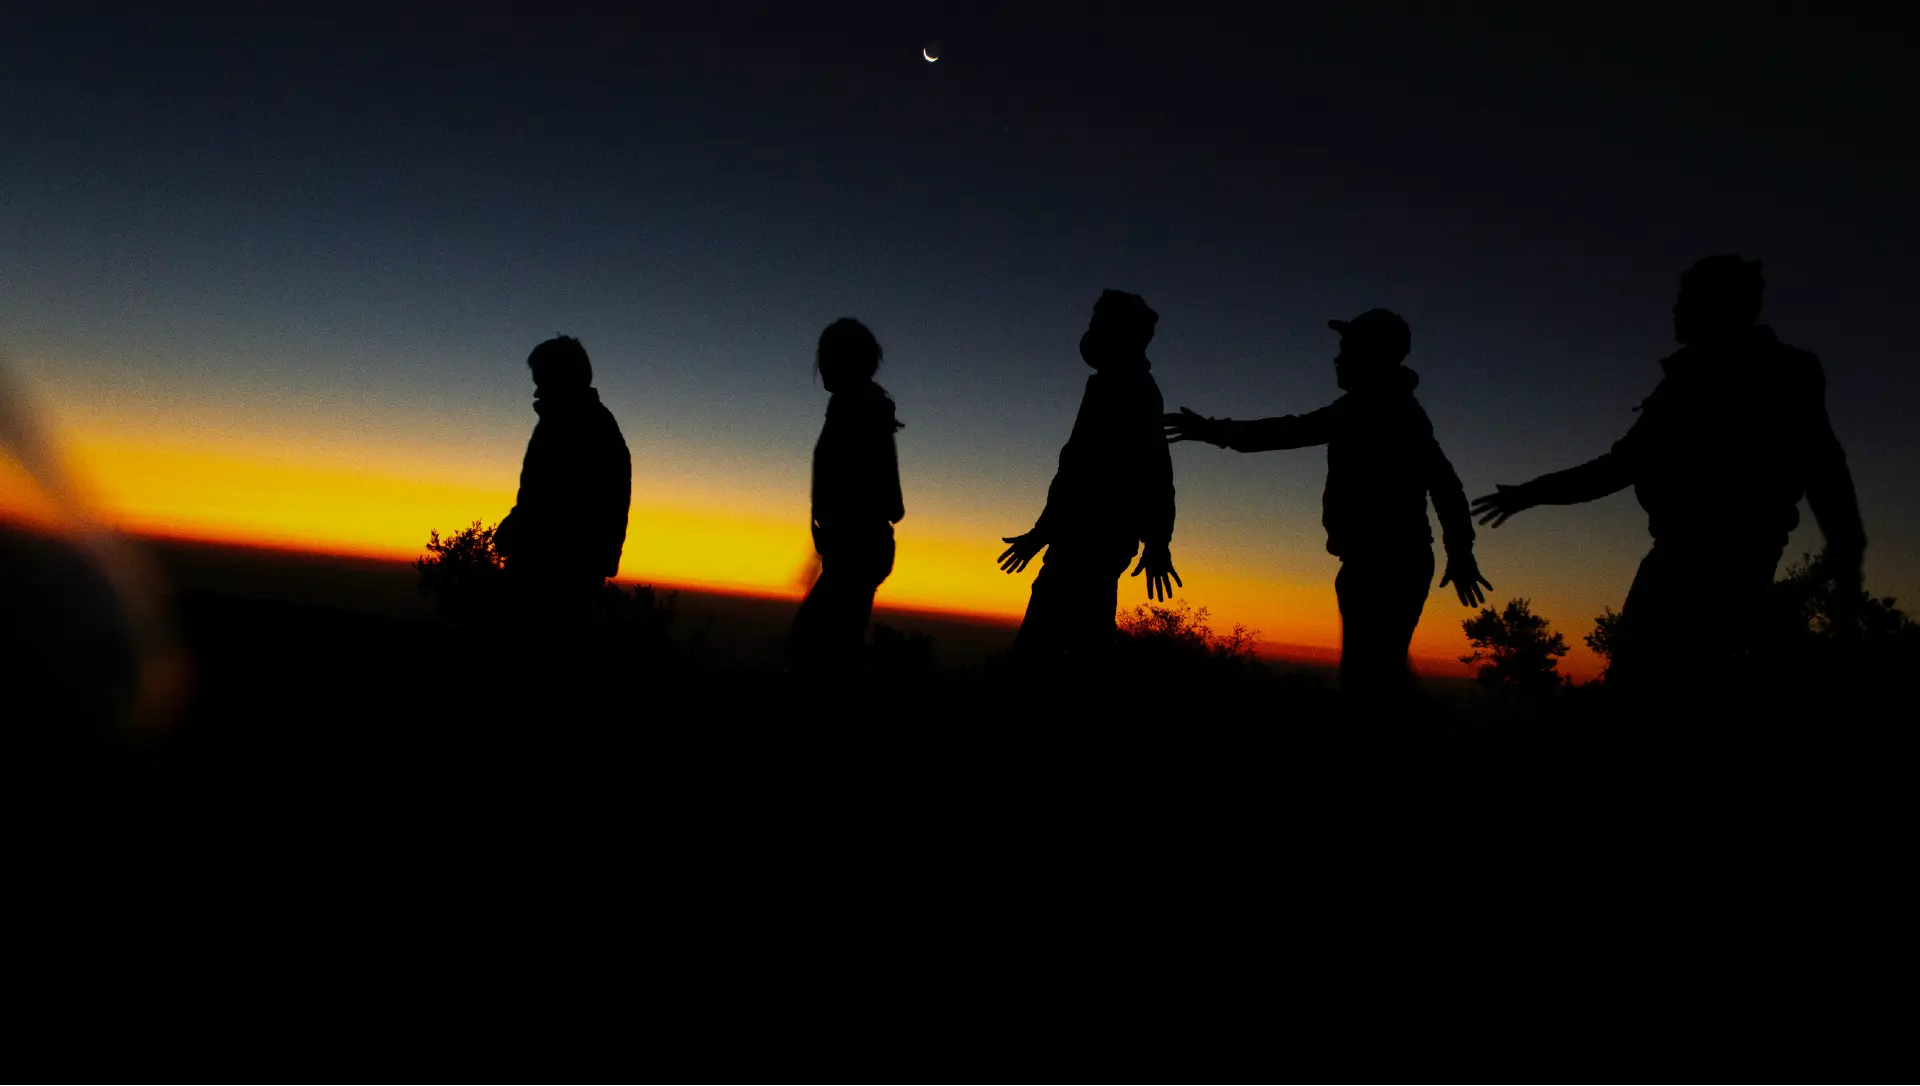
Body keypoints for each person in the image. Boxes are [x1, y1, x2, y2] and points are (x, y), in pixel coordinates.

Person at [1470, 256, 1865, 704]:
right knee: (1657, 682)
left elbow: (1824, 466)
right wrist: (1533, 493)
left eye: (1685, 302)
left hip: (1718, 563)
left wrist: (1847, 554)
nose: (1675, 312)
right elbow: (1622, 463)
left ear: (1716, 305)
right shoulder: (1685, 379)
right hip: (1684, 555)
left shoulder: (1780, 371)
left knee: (1664, 688)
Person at [1164, 308, 1488, 707]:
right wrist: (1459, 550)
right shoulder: (1388, 407)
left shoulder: (1379, 408)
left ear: (1372, 355)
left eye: (1348, 349)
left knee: (1369, 680)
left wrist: (1213, 430)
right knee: (1379, 673)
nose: (1338, 358)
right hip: (1385, 562)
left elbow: (1291, 431)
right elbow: (1445, 483)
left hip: (1385, 564)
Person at [999, 290, 1180, 664]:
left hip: (1093, 542)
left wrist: (1158, 541)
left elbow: (1152, 472)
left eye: (1097, 324)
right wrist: (1043, 533)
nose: (1090, 332)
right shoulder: (1109, 384)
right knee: (1083, 643)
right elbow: (1076, 469)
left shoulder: (1134, 390)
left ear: (1117, 333)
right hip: (1084, 541)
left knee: (1044, 653)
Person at [786, 318, 905, 672]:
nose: (820, 365)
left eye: (827, 355)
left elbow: (887, 500)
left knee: (816, 648)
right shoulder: (860, 404)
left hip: (858, 551)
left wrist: (841, 525)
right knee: (832, 646)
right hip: (858, 550)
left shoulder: (856, 407)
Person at [495, 335, 632, 628]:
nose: (537, 389)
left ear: (564, 376)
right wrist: (514, 523)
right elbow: (537, 493)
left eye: (542, 378)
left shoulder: (585, 427)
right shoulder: (564, 422)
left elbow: (563, 502)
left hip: (556, 572)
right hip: (547, 564)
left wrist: (598, 561)